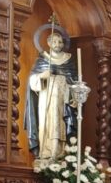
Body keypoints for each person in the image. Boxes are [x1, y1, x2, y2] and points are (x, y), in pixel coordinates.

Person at [25, 28, 77, 164]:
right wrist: (42, 75)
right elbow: (32, 82)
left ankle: (60, 152)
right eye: (54, 41)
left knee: (60, 122)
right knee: (47, 122)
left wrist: (74, 97)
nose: (58, 44)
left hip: (62, 97)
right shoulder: (43, 59)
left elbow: (75, 81)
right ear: (48, 43)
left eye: (60, 42)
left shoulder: (68, 60)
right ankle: (45, 152)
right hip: (46, 97)